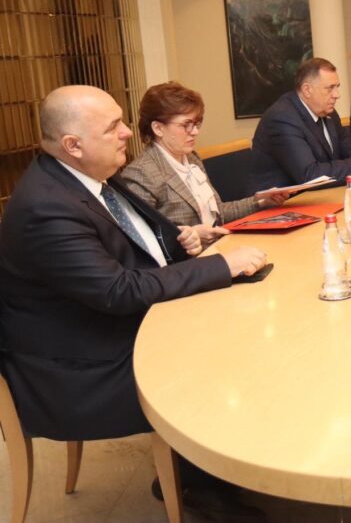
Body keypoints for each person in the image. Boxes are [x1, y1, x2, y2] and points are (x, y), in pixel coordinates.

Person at [0, 85, 267, 438]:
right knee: (219, 356)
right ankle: (202, 466)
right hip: (85, 367)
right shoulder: (46, 207)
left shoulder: (90, 174)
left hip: (114, 323)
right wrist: (221, 265)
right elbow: (118, 290)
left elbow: (137, 246)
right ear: (73, 145)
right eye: (112, 127)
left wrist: (181, 241)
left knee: (243, 321)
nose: (127, 132)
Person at [121, 82, 290, 247]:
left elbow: (219, 213)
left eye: (196, 123)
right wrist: (193, 236)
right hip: (191, 261)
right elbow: (145, 244)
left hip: (220, 246)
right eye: (186, 125)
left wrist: (261, 202)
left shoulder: (191, 157)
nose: (195, 131)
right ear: (158, 128)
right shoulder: (141, 173)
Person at [249, 57, 351, 193]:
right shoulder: (283, 118)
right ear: (307, 90)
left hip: (319, 196)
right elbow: (309, 175)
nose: (337, 95)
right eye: (330, 88)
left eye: (337, 87)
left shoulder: (328, 113)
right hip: (281, 206)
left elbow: (350, 148)